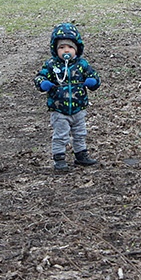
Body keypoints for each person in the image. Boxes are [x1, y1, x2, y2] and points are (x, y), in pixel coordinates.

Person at [34, 23, 101, 171]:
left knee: (80, 132)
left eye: (70, 47)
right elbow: (39, 77)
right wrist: (43, 83)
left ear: (76, 49)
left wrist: (93, 82)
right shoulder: (51, 65)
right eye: (61, 47)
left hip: (78, 107)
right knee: (61, 135)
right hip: (59, 109)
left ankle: (81, 154)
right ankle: (59, 158)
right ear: (55, 49)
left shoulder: (82, 65)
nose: (66, 50)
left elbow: (94, 76)